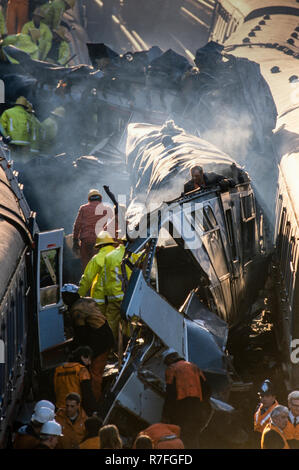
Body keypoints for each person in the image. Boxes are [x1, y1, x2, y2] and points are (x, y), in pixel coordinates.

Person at [61, 284, 114, 401]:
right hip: (105, 335)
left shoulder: (76, 309)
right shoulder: (87, 301)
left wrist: (73, 350)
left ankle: (95, 403)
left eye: (64, 296)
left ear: (68, 297)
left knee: (95, 373)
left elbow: (81, 334)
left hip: (101, 340)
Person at [161, 348, 208, 449]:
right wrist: (203, 405)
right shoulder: (193, 366)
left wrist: (166, 413)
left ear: (169, 359)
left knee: (184, 438)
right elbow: (207, 389)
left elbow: (170, 393)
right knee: (193, 437)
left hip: (182, 409)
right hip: (197, 408)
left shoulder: (171, 369)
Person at [78, 231, 118, 314]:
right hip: (118, 294)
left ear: (101, 245)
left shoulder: (97, 258)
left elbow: (87, 278)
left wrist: (79, 295)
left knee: (102, 321)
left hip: (101, 298)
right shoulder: (119, 254)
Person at [72, 189, 111, 270]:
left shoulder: (83, 208)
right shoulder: (106, 209)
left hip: (85, 241)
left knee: (86, 266)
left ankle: (87, 281)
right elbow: (111, 225)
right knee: (98, 265)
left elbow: (77, 225)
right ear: (100, 198)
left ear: (89, 198)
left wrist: (75, 241)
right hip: (99, 241)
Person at [53, 345, 98, 415]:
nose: (89, 363)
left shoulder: (58, 370)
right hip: (75, 410)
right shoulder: (82, 370)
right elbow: (87, 394)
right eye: (89, 359)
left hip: (60, 409)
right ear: (82, 357)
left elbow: (55, 390)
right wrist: (93, 410)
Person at [0, 96, 31, 161]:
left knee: (11, 160)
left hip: (12, 141)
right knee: (21, 162)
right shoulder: (28, 115)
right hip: (25, 143)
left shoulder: (7, 112)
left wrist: (6, 136)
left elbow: (1, 126)